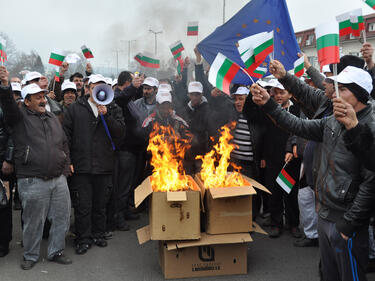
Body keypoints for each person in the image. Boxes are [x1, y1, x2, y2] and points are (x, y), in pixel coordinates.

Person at [251, 64, 375, 281]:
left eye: (343, 89)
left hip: (347, 222)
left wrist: (350, 224)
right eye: (336, 87)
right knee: (329, 275)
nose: (335, 93)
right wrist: (268, 104)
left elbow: (371, 183)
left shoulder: (370, 128)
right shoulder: (333, 119)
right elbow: (298, 125)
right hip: (326, 214)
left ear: (360, 95)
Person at [0, 66, 72, 270]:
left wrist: (65, 169)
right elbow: (8, 105)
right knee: (33, 221)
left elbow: (63, 142)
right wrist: (5, 85)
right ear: (26, 101)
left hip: (58, 179)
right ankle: (31, 255)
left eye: (42, 96)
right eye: (36, 97)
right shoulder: (19, 118)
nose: (42, 100)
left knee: (61, 218)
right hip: (32, 179)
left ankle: (56, 251)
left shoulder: (51, 117)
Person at [63, 74, 125, 255]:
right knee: (83, 205)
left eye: (102, 86)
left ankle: (98, 234)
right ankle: (83, 238)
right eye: (95, 86)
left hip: (104, 164)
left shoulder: (113, 108)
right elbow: (65, 136)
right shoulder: (75, 109)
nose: (98, 90)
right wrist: (69, 161)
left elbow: (120, 133)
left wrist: (108, 116)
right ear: (88, 88)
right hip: (82, 166)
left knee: (100, 204)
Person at [260, 81, 301, 239]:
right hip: (272, 158)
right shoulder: (268, 110)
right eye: (275, 92)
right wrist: (263, 155)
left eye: (282, 92)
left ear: (290, 94)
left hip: (291, 159)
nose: (278, 96)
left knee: (290, 193)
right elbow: (264, 135)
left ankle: (293, 224)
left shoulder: (296, 110)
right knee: (274, 192)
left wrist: (291, 149)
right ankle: (276, 223)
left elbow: (298, 131)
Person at [179, 81, 210, 174]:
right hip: (187, 154)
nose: (195, 97)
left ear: (202, 94)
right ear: (189, 95)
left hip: (202, 154)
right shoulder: (184, 110)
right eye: (192, 94)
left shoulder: (208, 109)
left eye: (197, 94)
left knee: (201, 180)